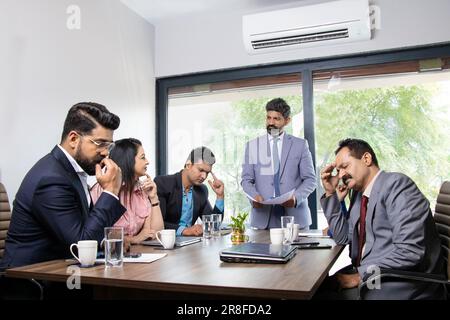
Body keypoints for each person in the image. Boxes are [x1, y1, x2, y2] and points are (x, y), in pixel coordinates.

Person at [0, 102, 126, 271]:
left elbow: (83, 229)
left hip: (59, 270)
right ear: (73, 139)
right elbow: (81, 245)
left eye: (109, 145)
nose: (105, 152)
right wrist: (110, 191)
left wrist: (105, 243)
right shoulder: (51, 178)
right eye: (100, 143)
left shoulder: (70, 171)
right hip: (30, 278)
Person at [320, 138, 446, 299]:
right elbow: (343, 237)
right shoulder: (360, 195)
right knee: (317, 288)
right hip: (374, 273)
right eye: (338, 171)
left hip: (401, 280)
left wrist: (359, 276)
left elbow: (410, 251)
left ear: (366, 159)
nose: (341, 175)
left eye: (345, 166)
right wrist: (331, 194)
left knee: (322, 294)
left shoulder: (397, 185)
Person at [241, 98, 316, 230]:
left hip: (295, 217)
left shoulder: (300, 145)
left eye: (276, 119)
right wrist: (254, 197)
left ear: (287, 121)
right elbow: (246, 180)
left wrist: (296, 198)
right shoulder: (252, 146)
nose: (271, 122)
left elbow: (310, 180)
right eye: (268, 118)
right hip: (263, 219)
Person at [90, 138, 164, 244]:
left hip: (138, 254)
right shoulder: (102, 190)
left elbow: (156, 233)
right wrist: (134, 239)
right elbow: (97, 234)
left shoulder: (142, 190)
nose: (147, 161)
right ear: (128, 160)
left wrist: (154, 198)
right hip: (112, 256)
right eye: (143, 158)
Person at [154, 146, 224, 236]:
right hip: (165, 244)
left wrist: (220, 196)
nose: (204, 176)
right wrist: (184, 230)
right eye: (201, 170)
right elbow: (158, 224)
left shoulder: (202, 190)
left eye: (207, 172)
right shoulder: (163, 183)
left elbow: (213, 225)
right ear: (188, 165)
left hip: (190, 245)